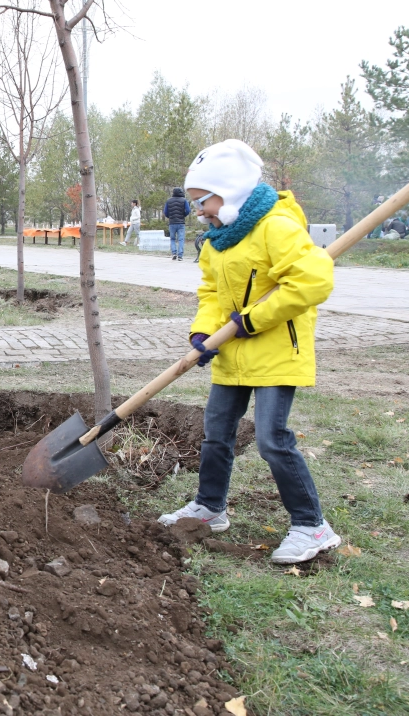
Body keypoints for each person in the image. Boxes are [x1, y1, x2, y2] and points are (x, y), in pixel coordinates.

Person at [158, 139, 341, 564]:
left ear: (231, 190)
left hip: (276, 351)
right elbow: (210, 293)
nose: (198, 210)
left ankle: (312, 526)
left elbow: (313, 283)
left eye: (202, 200)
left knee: (271, 440)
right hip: (232, 354)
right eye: (194, 202)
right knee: (216, 433)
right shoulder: (218, 240)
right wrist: (203, 332)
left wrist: (250, 321)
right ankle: (209, 508)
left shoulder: (277, 227)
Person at [163, 187, 188, 260]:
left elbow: (165, 212)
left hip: (172, 222)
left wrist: (170, 217)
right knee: (181, 239)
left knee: (172, 239)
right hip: (181, 222)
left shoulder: (169, 201)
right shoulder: (184, 200)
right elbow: (188, 210)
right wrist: (183, 215)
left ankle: (174, 253)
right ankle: (180, 255)